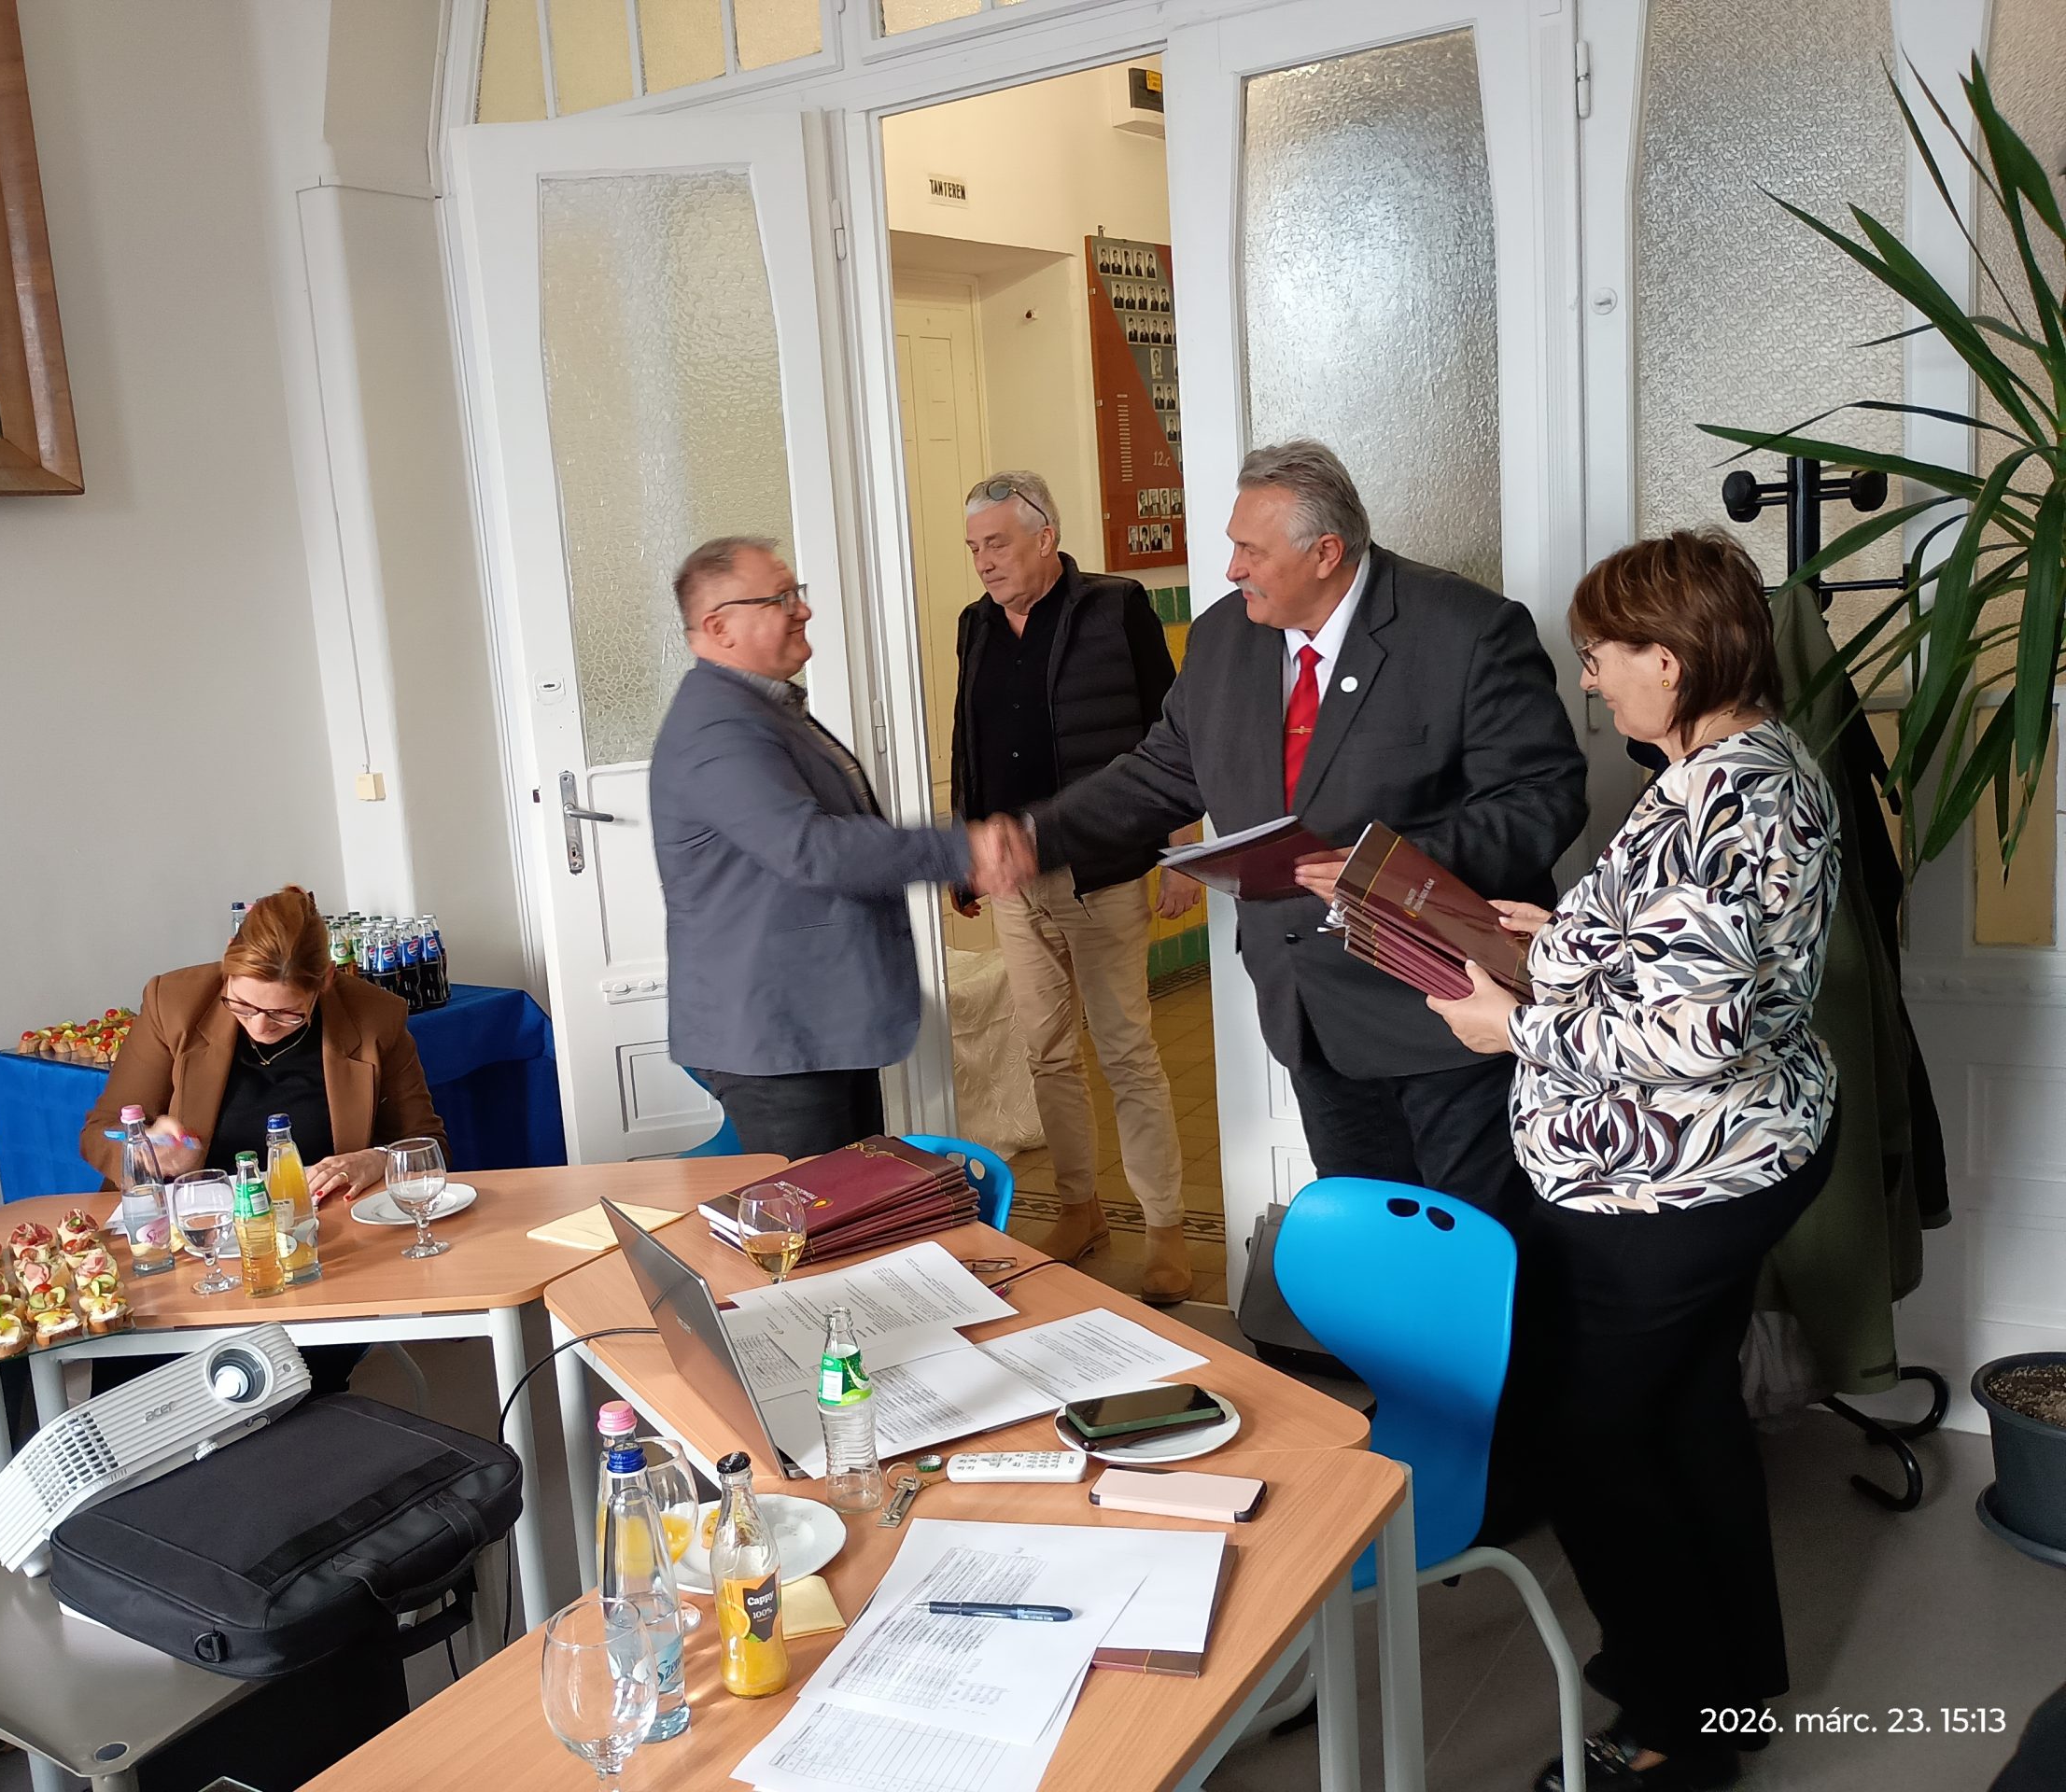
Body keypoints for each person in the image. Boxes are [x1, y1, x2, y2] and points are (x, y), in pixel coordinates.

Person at [1427, 530, 1841, 1792]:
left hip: (1672, 1183)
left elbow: (1697, 1031)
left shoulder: (1722, 797)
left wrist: (1515, 1025)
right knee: (1685, 1411)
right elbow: (1691, 955)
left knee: (1591, 1438)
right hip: (1730, 1159)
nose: (1591, 677)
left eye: (1602, 654)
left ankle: (1671, 1729)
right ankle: (1728, 1692)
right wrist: (1564, 935)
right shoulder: (1752, 764)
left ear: (1670, 658)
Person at [1019, 440, 1586, 1227]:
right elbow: (1158, 775)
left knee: (1474, 1251)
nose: (1231, 570)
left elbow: (1542, 798)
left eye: (1251, 551)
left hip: (1447, 1015)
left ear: (1326, 552)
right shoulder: (1221, 640)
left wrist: (1387, 869)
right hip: (1310, 1015)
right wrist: (1032, 837)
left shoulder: (1466, 630)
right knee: (1365, 1246)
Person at [653, 536, 1028, 1159]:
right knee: (815, 1218)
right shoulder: (718, 727)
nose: (802, 609)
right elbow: (812, 849)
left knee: (853, 1204)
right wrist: (961, 850)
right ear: (719, 627)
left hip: (813, 1026)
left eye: (796, 593)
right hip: (778, 1038)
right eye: (779, 599)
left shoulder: (762, 707)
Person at [949, 470, 1199, 1302]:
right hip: (1015, 877)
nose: (985, 561)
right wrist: (964, 845)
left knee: (1126, 1052)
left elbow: (1171, 729)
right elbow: (968, 739)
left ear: (1045, 537)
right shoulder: (976, 625)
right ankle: (1080, 1207)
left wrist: (1179, 848)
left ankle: (1166, 1229)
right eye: (974, 548)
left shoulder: (1115, 606)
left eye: (998, 543)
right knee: (1046, 1053)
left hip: (1102, 866)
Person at [80, 886, 442, 1200]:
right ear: (228, 960)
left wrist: (378, 1159)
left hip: (324, 1217)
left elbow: (426, 1142)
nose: (260, 1026)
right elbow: (100, 1130)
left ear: (326, 980)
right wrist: (142, 1150)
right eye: (241, 1005)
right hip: (197, 1217)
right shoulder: (174, 1003)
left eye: (286, 1014)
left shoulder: (374, 1017)